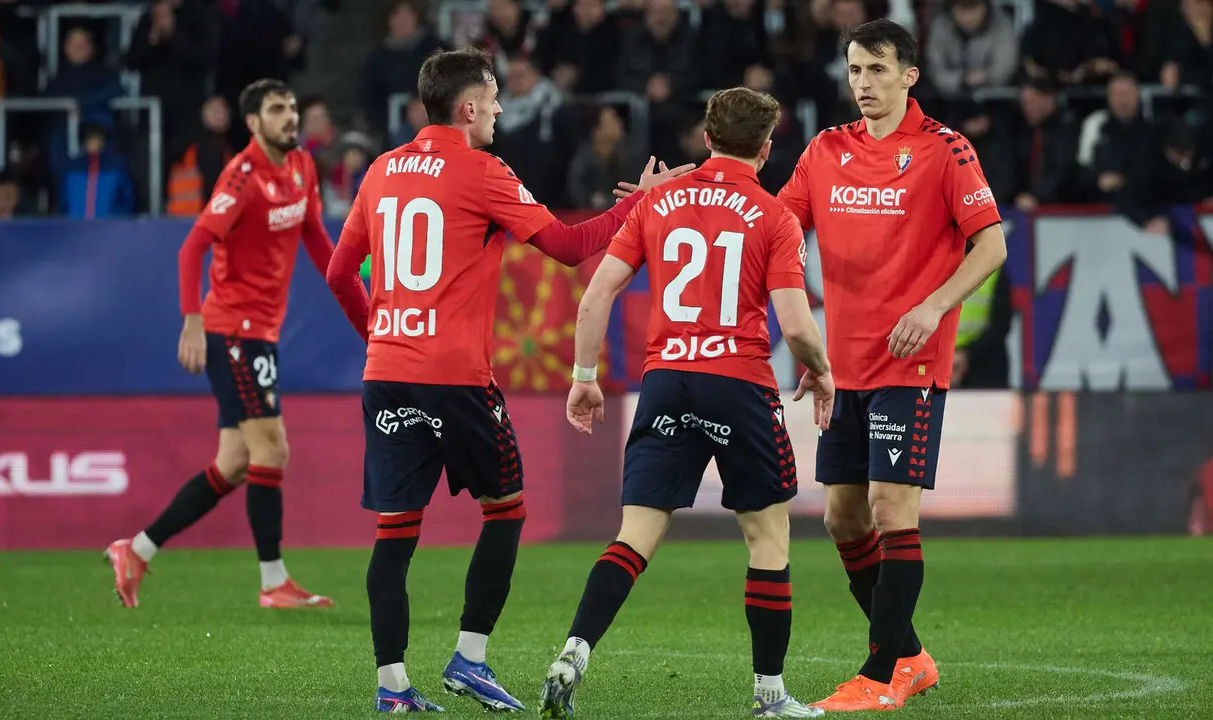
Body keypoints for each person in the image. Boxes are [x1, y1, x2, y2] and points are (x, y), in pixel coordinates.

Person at [325, 47, 692, 714]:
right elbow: (570, 246)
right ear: (467, 109)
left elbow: (338, 272)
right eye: (492, 101)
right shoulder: (482, 170)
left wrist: (378, 333)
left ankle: (392, 688)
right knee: (507, 508)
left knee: (395, 530)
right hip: (455, 378)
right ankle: (469, 658)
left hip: (386, 374)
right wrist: (642, 204)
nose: (498, 111)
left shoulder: (381, 170)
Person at [538, 87, 834, 720]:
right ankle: (771, 695)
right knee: (766, 532)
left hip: (668, 379)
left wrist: (583, 377)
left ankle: (574, 649)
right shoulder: (775, 216)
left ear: (705, 137)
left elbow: (596, 296)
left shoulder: (658, 201)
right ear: (767, 146)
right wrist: (821, 372)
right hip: (739, 383)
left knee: (636, 533)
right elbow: (797, 323)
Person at [776, 19, 1007, 712]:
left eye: (877, 69)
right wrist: (695, 189)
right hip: (843, 367)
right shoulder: (826, 150)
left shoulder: (945, 150)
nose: (863, 84)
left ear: (910, 75)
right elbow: (777, 222)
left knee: (889, 509)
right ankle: (910, 655)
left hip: (911, 363)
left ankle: (880, 677)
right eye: (854, 71)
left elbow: (990, 246)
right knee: (843, 521)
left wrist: (934, 308)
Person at [104, 79, 337, 610]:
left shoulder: (302, 166)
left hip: (261, 332)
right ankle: (274, 583)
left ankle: (135, 550)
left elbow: (318, 239)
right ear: (253, 122)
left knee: (234, 462)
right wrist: (191, 322)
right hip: (232, 329)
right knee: (272, 448)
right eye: (277, 109)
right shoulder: (242, 176)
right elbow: (193, 249)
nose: (289, 116)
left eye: (293, 106)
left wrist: (356, 289)